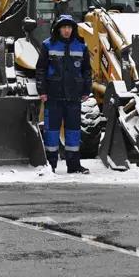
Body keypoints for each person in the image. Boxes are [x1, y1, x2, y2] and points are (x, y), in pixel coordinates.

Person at [36, 14, 92, 174]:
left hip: (74, 96)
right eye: (64, 27)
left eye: (69, 27)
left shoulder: (81, 46)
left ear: (73, 29)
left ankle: (73, 166)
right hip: (53, 96)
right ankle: (50, 165)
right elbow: (40, 70)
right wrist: (42, 91)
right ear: (58, 29)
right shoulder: (48, 45)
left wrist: (86, 90)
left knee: (73, 132)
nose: (67, 30)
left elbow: (87, 70)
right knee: (51, 132)